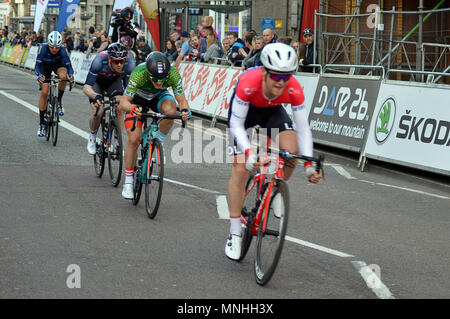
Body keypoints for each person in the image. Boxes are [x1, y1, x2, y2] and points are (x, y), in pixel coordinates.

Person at [225, 43, 322, 260]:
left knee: (291, 152)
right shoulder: (249, 82)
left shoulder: (293, 88)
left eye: (286, 77)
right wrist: (249, 151)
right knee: (240, 170)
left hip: (272, 112)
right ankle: (234, 233)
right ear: (264, 72)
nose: (281, 82)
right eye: (276, 76)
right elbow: (236, 123)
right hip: (245, 115)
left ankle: (277, 189)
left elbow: (303, 129)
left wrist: (308, 165)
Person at [119, 52, 191, 199]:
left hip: (158, 96)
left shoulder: (173, 74)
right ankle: (128, 181)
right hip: (137, 99)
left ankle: (158, 142)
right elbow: (123, 102)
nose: (159, 83)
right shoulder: (139, 73)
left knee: (171, 110)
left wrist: (184, 111)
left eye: (162, 79)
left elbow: (181, 99)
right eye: (155, 79)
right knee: (134, 139)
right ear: (148, 73)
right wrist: (132, 109)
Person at [83, 43, 136, 155]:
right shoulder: (99, 61)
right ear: (109, 59)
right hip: (97, 83)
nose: (119, 65)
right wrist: (95, 96)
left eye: (121, 61)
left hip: (113, 82)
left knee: (120, 106)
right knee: (99, 111)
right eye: (116, 61)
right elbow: (86, 87)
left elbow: (128, 90)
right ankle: (92, 135)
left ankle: (117, 139)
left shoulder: (130, 63)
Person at [34, 31, 74, 137]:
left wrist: (71, 75)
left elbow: (69, 67)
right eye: (52, 47)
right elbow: (37, 67)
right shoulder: (43, 48)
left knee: (63, 77)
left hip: (58, 65)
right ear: (48, 44)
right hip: (44, 67)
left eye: (57, 47)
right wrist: (39, 75)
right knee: (45, 91)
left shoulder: (63, 49)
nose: (54, 49)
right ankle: (42, 123)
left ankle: (59, 101)